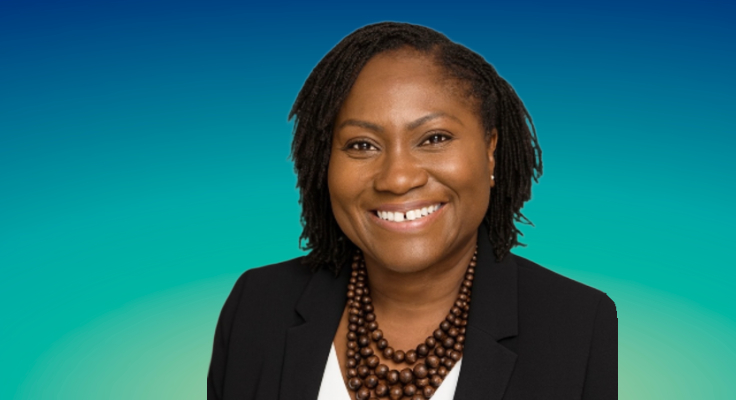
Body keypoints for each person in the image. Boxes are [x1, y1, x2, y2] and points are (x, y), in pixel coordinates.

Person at [208, 22, 617, 400]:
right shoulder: (257, 305)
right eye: (361, 145)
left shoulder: (577, 326)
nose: (397, 178)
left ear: (491, 151)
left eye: (434, 138)